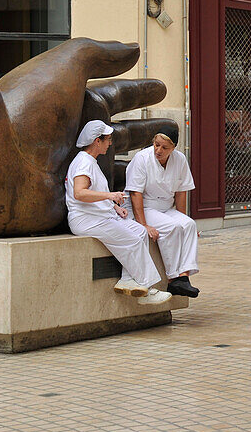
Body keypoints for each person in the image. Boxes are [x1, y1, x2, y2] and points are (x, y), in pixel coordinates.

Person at [65, 120, 172, 306]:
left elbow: (91, 192)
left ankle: (128, 281)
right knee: (132, 240)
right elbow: (80, 193)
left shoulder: (89, 162)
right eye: (108, 139)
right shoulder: (84, 162)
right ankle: (147, 289)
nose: (110, 143)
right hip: (87, 220)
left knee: (140, 232)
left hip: (99, 216)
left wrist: (114, 206)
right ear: (97, 141)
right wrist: (110, 195)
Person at [126, 129, 201, 298]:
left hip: (167, 207)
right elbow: (135, 193)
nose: (158, 150)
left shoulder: (180, 159)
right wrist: (143, 224)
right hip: (146, 206)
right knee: (171, 227)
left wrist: (184, 218)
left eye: (164, 147)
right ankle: (173, 278)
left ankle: (184, 277)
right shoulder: (142, 158)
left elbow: (181, 192)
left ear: (173, 148)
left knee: (189, 225)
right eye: (156, 145)